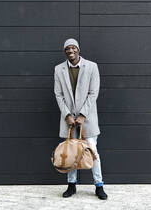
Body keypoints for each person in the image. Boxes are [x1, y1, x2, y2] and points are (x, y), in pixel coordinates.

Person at [53, 38, 108, 200]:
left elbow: (93, 92)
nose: (71, 51)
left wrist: (83, 115)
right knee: (71, 153)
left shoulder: (91, 67)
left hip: (88, 119)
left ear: (78, 49)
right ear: (65, 52)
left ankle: (99, 185)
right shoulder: (59, 69)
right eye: (67, 49)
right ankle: (71, 185)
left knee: (92, 151)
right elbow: (58, 94)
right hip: (69, 120)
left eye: (73, 48)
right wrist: (67, 115)